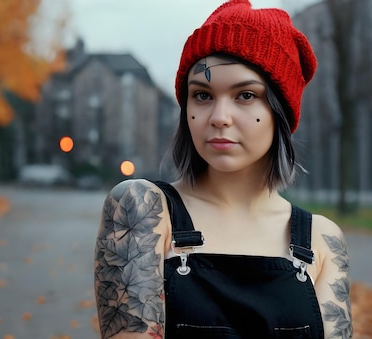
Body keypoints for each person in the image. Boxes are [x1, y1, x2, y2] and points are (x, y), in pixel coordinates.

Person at [94, 0, 352, 338]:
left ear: (280, 111)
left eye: (245, 95)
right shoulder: (142, 210)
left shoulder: (322, 240)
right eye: (202, 96)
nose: (218, 117)